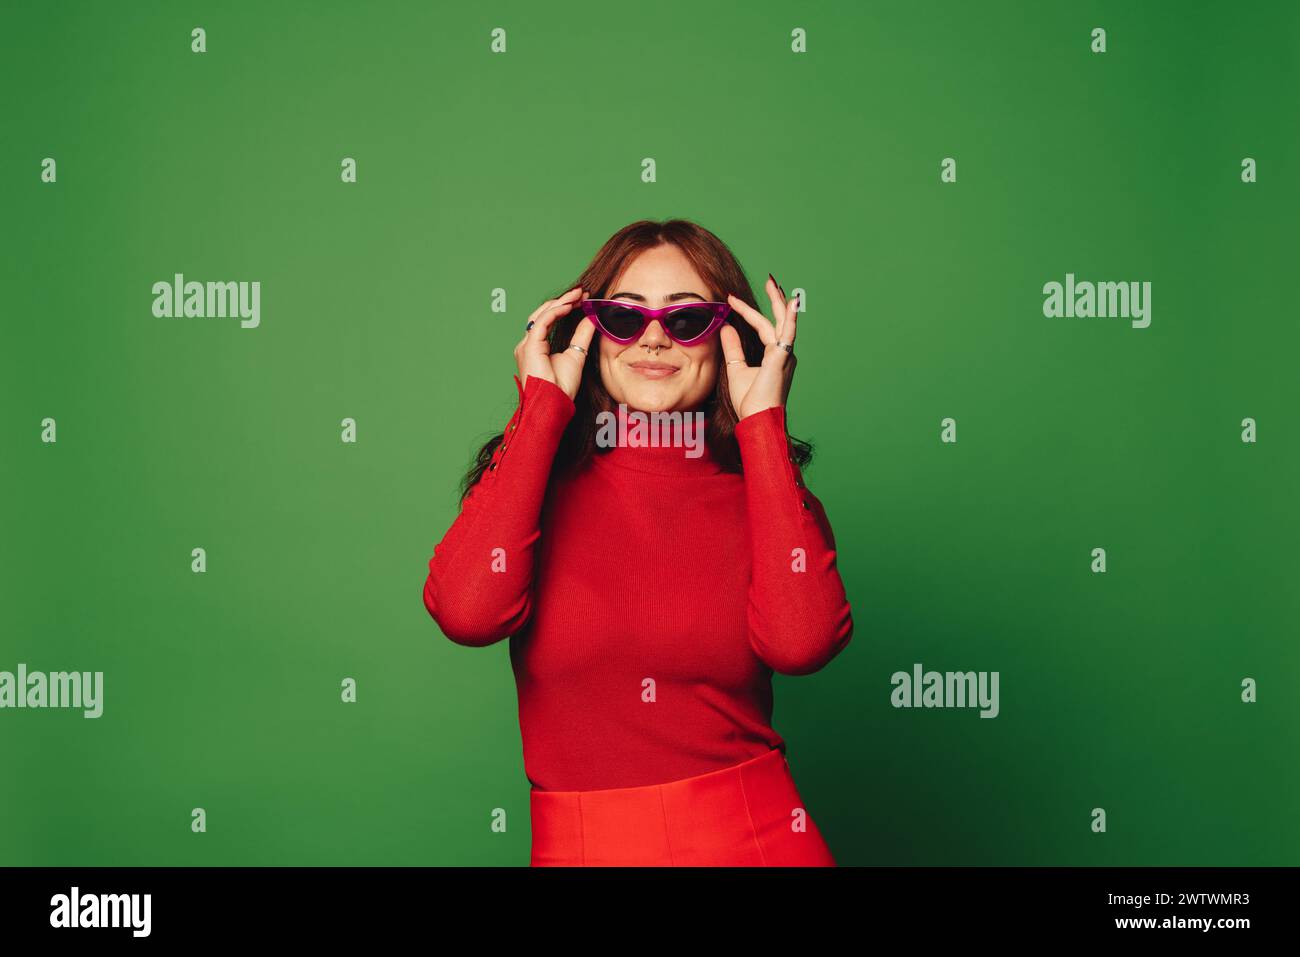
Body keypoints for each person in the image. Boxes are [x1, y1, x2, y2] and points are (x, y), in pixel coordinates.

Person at [422, 219, 854, 865]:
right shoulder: (532, 486)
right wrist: (540, 408)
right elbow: (466, 611)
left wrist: (764, 427)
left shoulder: (766, 493)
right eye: (624, 318)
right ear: (588, 333)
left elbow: (803, 643)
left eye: (687, 320)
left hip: (756, 844)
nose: (653, 336)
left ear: (729, 337)